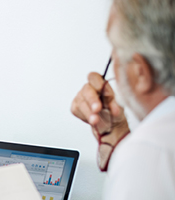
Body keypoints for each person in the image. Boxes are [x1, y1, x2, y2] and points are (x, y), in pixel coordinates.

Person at [71, 0, 175, 199]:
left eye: (115, 51)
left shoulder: (148, 153)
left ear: (140, 72)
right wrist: (117, 136)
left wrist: (134, 152)